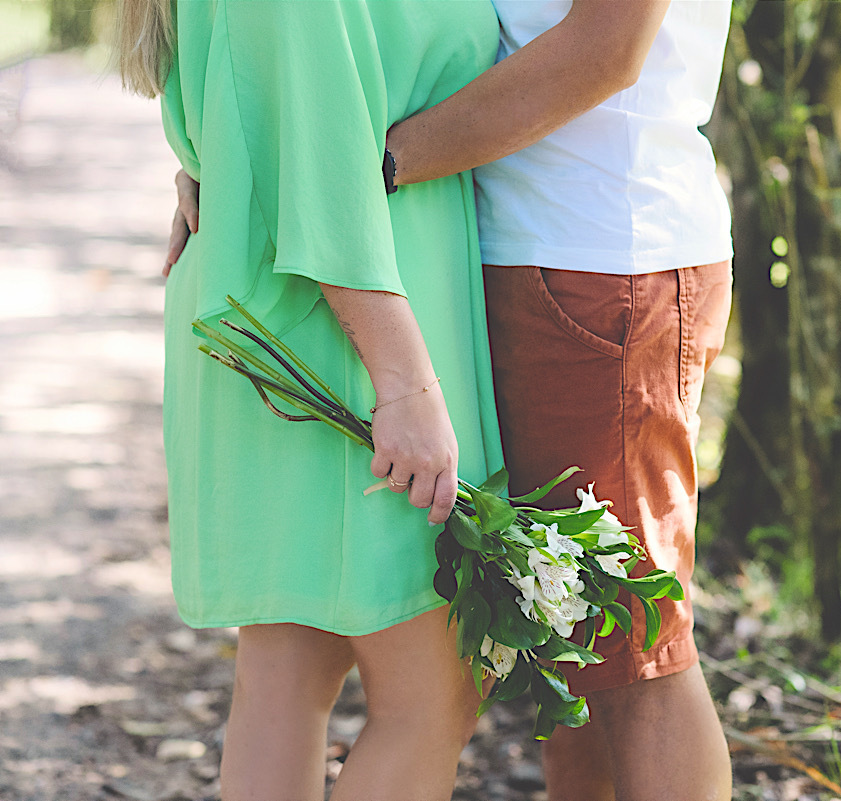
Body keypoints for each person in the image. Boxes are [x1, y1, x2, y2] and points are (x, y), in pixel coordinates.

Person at [167, 2, 736, 799]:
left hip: (594, 254)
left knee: (631, 650)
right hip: (445, 269)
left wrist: (345, 166)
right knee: (565, 644)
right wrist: (257, 144)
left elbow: (608, 48)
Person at [120, 1, 505, 799]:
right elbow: (325, 171)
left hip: (298, 314)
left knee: (288, 673)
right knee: (433, 696)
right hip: (344, 341)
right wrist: (403, 383)